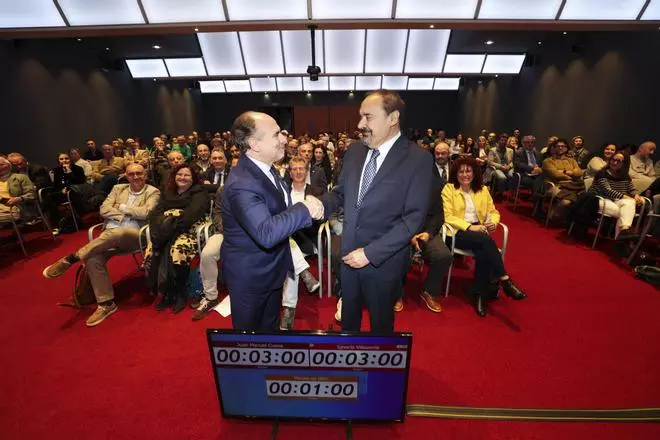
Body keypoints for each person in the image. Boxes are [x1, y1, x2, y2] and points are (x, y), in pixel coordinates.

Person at [320, 90, 433, 333]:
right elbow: (341, 193)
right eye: (361, 117)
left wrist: (371, 253)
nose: (360, 124)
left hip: (384, 262)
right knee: (348, 321)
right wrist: (319, 204)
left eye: (368, 117)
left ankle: (378, 370)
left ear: (393, 118)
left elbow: (413, 218)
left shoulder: (418, 159)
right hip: (348, 256)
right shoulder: (354, 151)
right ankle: (348, 362)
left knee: (381, 327)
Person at [221, 112, 323, 331]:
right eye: (277, 134)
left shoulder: (268, 169)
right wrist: (304, 208)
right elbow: (266, 233)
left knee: (269, 333)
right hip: (251, 278)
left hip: (272, 271)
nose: (285, 139)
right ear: (254, 144)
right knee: (249, 343)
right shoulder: (242, 183)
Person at [42, 164, 160, 326]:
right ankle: (106, 303)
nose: (135, 177)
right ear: (126, 175)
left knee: (118, 233)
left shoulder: (152, 192)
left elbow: (146, 212)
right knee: (92, 258)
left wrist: (122, 207)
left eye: (139, 173)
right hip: (108, 236)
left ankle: (72, 258)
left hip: (134, 236)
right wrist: (125, 213)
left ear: (145, 175)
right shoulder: (118, 188)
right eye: (131, 174)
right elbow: (104, 209)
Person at [442, 157, 527, 317]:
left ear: (474, 173)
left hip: (479, 233)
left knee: (483, 250)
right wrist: (470, 227)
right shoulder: (449, 189)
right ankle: (504, 280)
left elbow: (493, 212)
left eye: (468, 171)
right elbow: (447, 216)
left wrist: (493, 223)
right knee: (487, 242)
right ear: (456, 173)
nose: (465, 174)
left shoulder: (483, 190)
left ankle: (479, 293)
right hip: (456, 232)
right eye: (461, 171)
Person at [145, 164, 209, 314]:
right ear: (174, 176)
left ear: (193, 179)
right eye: (180, 174)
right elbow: (155, 214)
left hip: (189, 231)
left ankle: (180, 291)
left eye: (187, 175)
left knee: (178, 251)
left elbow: (191, 216)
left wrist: (170, 226)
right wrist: (161, 231)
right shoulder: (168, 193)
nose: (183, 177)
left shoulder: (199, 193)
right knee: (153, 250)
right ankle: (167, 292)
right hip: (165, 232)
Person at [280, 156, 324, 329]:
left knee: (287, 249)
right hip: (287, 238)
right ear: (289, 173)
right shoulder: (283, 191)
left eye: (301, 169)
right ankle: (305, 273)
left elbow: (320, 219)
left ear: (306, 172)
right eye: (295, 169)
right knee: (289, 250)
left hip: (307, 237)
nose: (298, 172)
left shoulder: (316, 191)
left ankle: (289, 308)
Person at [410, 151, 452, 313]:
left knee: (443, 256)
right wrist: (409, 234)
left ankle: (429, 291)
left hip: (427, 230)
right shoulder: (399, 184)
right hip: (405, 231)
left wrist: (428, 233)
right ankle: (396, 294)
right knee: (396, 256)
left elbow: (439, 214)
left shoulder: (435, 185)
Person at [589, 152, 644, 239]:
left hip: (616, 201)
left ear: (624, 163)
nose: (615, 163)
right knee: (626, 211)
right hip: (599, 200)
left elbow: (631, 189)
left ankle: (623, 232)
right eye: (613, 160)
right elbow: (607, 191)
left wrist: (636, 195)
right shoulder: (602, 173)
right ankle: (621, 238)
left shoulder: (625, 176)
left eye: (619, 161)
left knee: (628, 205)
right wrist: (629, 198)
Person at [194, 184, 225, 321]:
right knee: (208, 254)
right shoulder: (223, 189)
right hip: (226, 232)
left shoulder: (259, 186)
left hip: (252, 234)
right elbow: (217, 213)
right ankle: (211, 297)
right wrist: (226, 229)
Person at [542, 138, 585, 219]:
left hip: (573, 186)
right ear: (553, 148)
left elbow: (579, 173)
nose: (560, 148)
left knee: (582, 200)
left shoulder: (572, 160)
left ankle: (567, 218)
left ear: (566, 148)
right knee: (566, 202)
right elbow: (556, 175)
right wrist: (570, 173)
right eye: (558, 146)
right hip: (555, 185)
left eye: (563, 146)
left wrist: (565, 172)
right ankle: (553, 215)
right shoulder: (547, 161)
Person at [49, 152, 86, 229]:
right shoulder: (56, 170)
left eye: (66, 158)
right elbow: (56, 185)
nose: (64, 161)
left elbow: (80, 182)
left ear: (70, 159)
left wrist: (69, 171)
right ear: (58, 161)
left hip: (75, 192)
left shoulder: (78, 168)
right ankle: (55, 225)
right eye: (61, 159)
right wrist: (62, 189)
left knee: (72, 194)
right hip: (61, 192)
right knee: (49, 197)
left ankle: (77, 220)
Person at [0, 156, 36, 224]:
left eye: (1, 164)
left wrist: (19, 199)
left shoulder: (21, 177)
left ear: (9, 165)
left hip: (13, 208)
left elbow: (32, 193)